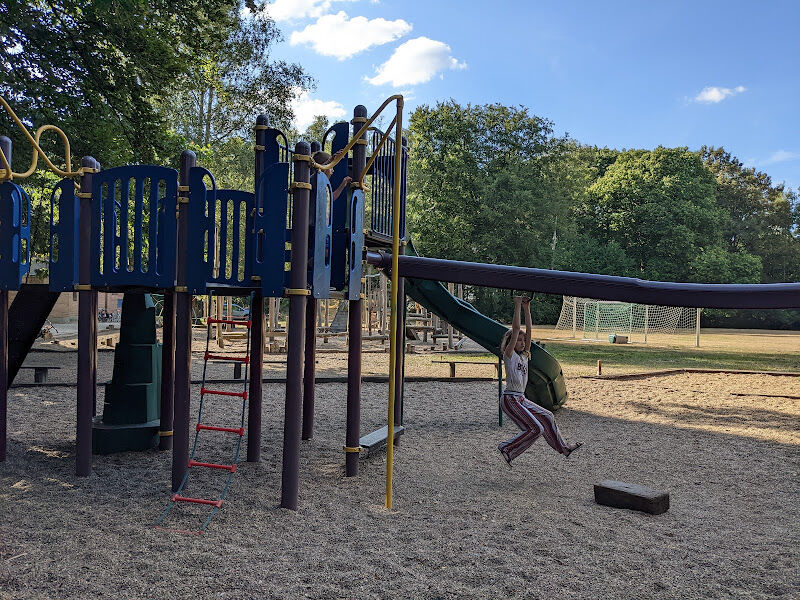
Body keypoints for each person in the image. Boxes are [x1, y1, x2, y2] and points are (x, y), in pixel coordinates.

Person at [498, 295, 581, 467]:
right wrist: (517, 305)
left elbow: (529, 332)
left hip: (520, 398)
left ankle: (564, 448)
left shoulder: (524, 357)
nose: (521, 342)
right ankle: (506, 448)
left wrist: (527, 308)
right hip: (510, 399)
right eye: (517, 341)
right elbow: (516, 329)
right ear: (509, 344)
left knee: (548, 416)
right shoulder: (510, 356)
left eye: (522, 341)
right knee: (536, 428)